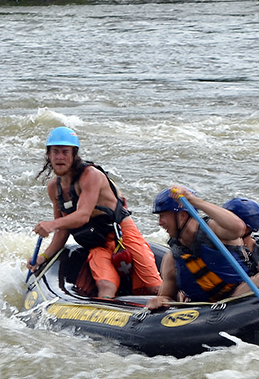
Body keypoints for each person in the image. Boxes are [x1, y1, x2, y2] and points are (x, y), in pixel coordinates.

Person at [29, 127, 161, 299]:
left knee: (154, 288)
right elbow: (63, 231)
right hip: (96, 244)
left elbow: (83, 215)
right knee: (106, 287)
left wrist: (51, 225)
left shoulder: (91, 175)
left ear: (74, 154)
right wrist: (43, 257)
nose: (60, 157)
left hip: (121, 234)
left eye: (65, 152)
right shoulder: (54, 187)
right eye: (55, 152)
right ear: (48, 155)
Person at [146, 186, 259, 310]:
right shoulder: (172, 258)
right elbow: (166, 297)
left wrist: (194, 201)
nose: (160, 222)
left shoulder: (213, 231)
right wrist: (160, 300)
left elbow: (238, 228)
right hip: (204, 311)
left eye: (163, 216)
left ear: (182, 215)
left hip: (238, 297)